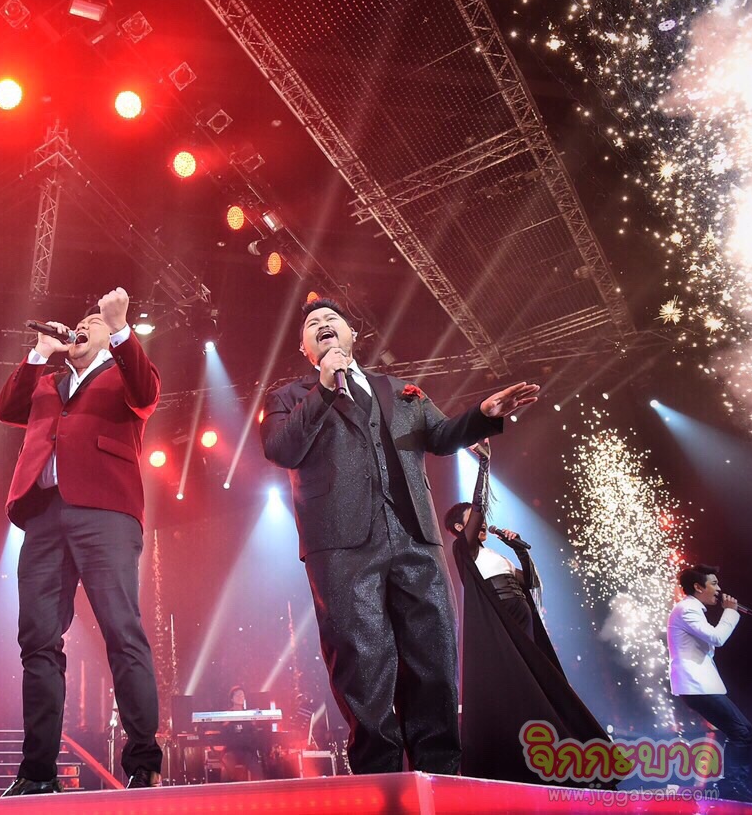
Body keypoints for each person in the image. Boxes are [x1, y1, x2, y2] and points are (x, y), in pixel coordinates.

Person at [260, 297, 538, 775]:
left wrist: (482, 414)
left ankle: (439, 772)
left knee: (434, 656)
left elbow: (443, 435)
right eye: (312, 324)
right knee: (362, 661)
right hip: (341, 545)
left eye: (332, 319)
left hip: (414, 536)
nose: (323, 324)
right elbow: (281, 449)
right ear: (305, 348)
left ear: (352, 335)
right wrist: (324, 387)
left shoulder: (399, 391)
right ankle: (379, 778)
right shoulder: (289, 397)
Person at [0, 287, 163, 794]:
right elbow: (7, 409)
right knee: (37, 640)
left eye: (94, 323)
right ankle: (37, 773)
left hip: (105, 510)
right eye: (80, 322)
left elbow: (146, 392)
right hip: (44, 513)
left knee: (121, 630)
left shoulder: (123, 374)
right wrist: (39, 353)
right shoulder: (49, 381)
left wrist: (120, 327)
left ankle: (144, 762)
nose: (83, 327)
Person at [444, 442, 612, 785]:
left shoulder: (495, 554)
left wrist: (519, 550)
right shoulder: (465, 550)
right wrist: (484, 466)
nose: (482, 521)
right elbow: (480, 505)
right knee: (521, 685)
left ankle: (563, 752)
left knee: (539, 681)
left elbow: (530, 582)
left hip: (523, 620)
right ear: (461, 528)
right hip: (503, 624)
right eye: (472, 518)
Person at [668, 564, 752, 802]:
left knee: (741, 731)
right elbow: (717, 637)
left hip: (700, 685)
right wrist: (731, 612)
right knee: (742, 731)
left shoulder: (692, 609)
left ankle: (731, 784)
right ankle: (731, 785)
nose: (719, 589)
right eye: (713, 583)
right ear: (698, 586)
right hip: (695, 684)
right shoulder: (687, 609)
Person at [218, 686, 264, 782]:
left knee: (257, 770)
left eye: (242, 695)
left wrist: (254, 723)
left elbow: (254, 733)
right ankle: (226, 790)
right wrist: (226, 723)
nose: (240, 697)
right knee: (226, 768)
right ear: (232, 699)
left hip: (247, 750)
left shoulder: (249, 714)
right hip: (231, 750)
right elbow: (222, 733)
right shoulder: (226, 715)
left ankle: (260, 789)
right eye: (237, 695)